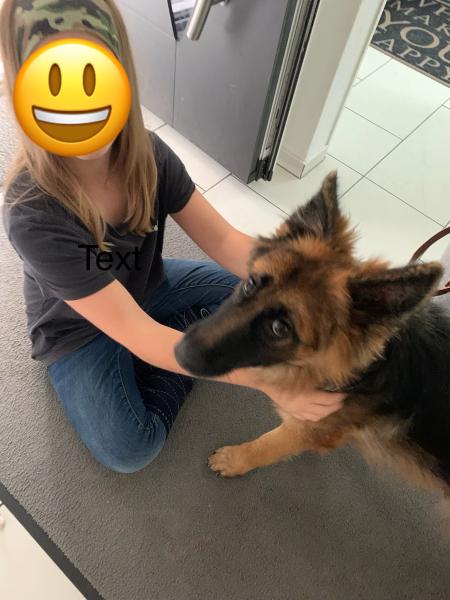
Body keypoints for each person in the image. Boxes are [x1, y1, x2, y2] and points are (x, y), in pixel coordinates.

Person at [0, 0, 345, 474]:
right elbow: (137, 333)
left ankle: (184, 342)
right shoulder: (30, 210)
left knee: (250, 292)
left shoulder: (150, 154)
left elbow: (225, 240)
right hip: (78, 330)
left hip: (147, 286)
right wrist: (267, 378)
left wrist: (300, 283)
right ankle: (186, 348)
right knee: (130, 448)